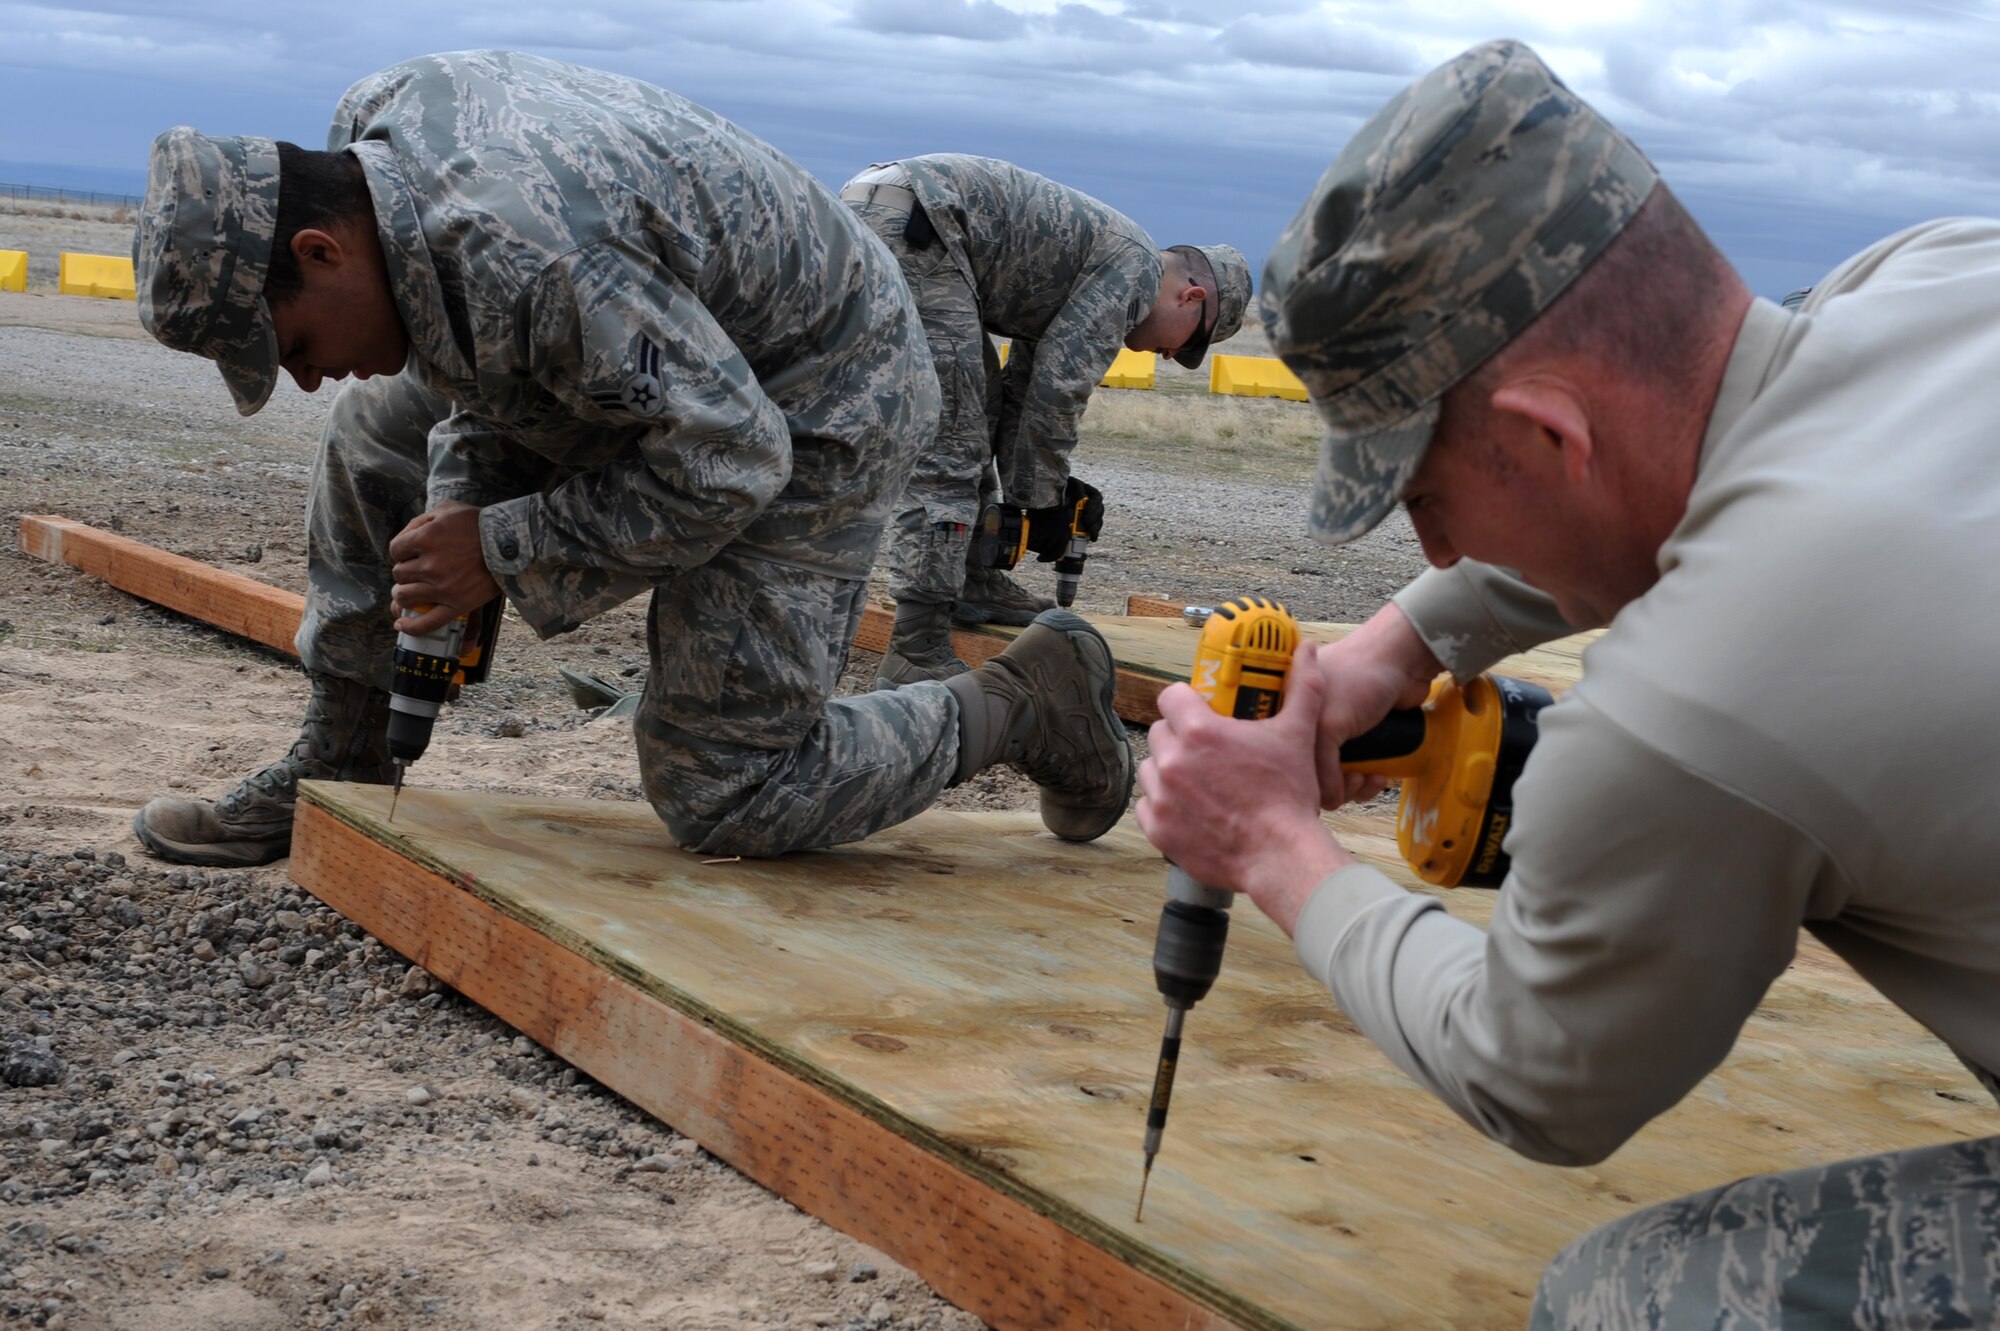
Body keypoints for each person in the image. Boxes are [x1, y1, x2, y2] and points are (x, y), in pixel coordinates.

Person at [1135, 39, 2000, 1327]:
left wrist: (1269, 845)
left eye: (1424, 500)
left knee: (1624, 1307)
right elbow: (1716, 451)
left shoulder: (1695, 715)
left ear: (1549, 434)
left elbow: (1535, 1078)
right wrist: (1403, 642)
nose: (1431, 549)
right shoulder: (1938, 272)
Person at [129, 50, 1133, 868]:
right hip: (661, 350)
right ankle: (342, 759)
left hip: (822, 385)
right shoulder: (374, 134)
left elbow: (732, 456)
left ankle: (1027, 698)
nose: (305, 377)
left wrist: (503, 545)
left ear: (319, 250)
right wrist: (460, 510)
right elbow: (486, 360)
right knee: (372, 435)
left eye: (294, 347)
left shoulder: (534, 258)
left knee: (727, 788)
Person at [840, 155, 1250, 685]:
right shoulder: (1134, 272)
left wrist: (1035, 498)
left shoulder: (1091, 263)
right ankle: (915, 651)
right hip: (920, 225)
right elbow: (1059, 393)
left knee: (976, 409)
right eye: (1186, 344)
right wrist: (1044, 505)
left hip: (896, 210)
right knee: (953, 443)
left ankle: (973, 580)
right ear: (1190, 298)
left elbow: (1026, 394)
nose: (1169, 357)